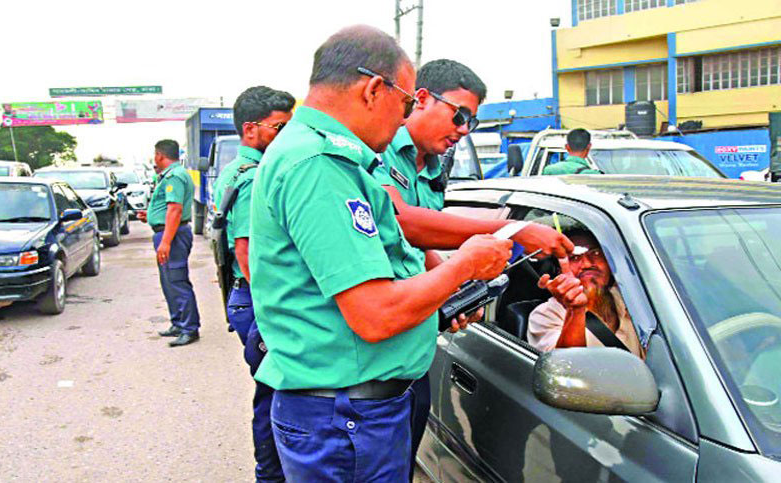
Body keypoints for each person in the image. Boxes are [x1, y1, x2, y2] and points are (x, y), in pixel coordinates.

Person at [248, 25, 513, 481]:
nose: (404, 119)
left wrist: (436, 299)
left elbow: (381, 275)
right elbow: (374, 315)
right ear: (374, 89)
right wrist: (465, 265)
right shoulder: (319, 167)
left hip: (348, 411)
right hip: (345, 417)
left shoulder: (328, 158)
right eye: (407, 103)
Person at [374, 58, 574, 479]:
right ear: (423, 99)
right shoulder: (382, 147)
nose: (464, 130)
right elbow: (402, 222)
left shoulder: (431, 167)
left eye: (473, 123)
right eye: (460, 115)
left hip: (413, 351)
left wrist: (448, 289)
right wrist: (515, 228)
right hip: (375, 351)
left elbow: (420, 244)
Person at [211, 85, 294, 482]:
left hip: (244, 296)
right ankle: (271, 475)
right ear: (250, 130)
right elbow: (247, 251)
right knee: (273, 396)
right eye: (279, 127)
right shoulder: (254, 176)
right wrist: (272, 310)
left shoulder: (235, 170)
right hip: (257, 297)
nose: (285, 136)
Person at [527, 229, 645, 359]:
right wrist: (576, 310)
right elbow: (565, 365)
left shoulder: (632, 299)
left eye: (595, 253)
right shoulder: (546, 315)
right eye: (575, 257)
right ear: (560, 271)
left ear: (609, 263)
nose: (587, 264)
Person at [137, 139, 201, 347]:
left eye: (155, 154)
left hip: (172, 235)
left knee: (177, 280)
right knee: (168, 282)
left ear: (160, 155)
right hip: (167, 232)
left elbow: (175, 210)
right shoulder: (172, 175)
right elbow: (169, 209)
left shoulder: (174, 176)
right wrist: (151, 215)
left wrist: (165, 241)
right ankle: (178, 322)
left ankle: (189, 328)